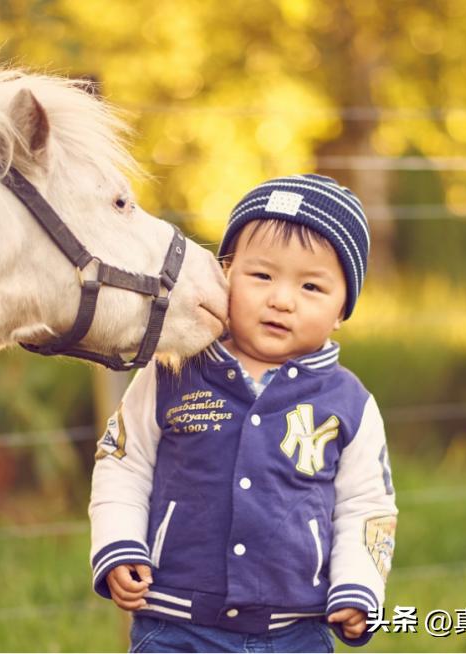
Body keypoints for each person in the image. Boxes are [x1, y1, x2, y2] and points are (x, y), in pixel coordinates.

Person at [88, 174, 397, 653]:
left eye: (312, 286)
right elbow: (122, 462)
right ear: (225, 273)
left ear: (342, 309)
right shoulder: (172, 370)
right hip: (175, 626)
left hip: (296, 633)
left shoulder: (349, 404)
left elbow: (367, 507)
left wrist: (359, 587)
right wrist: (118, 544)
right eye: (261, 276)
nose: (281, 299)